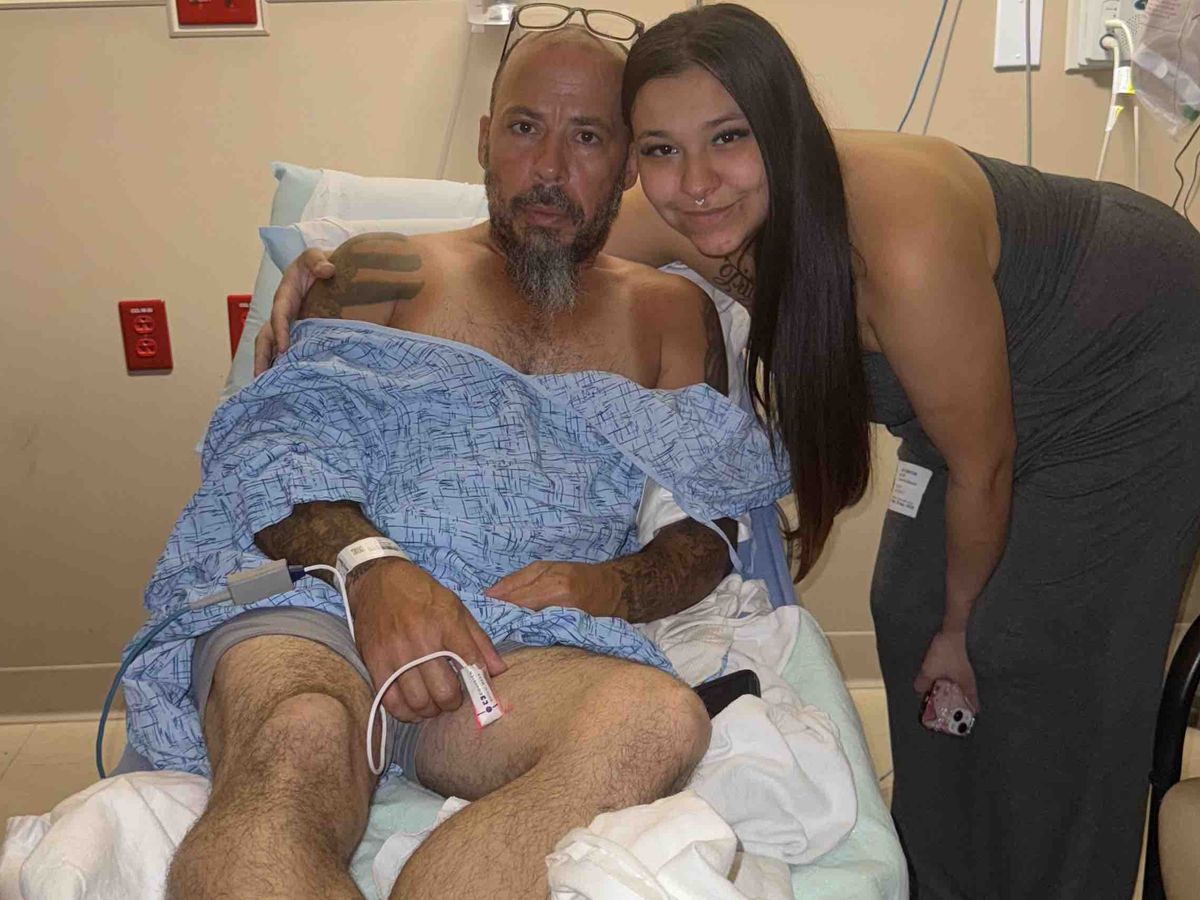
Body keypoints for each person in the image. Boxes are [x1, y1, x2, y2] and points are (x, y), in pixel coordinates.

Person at [263, 4, 1200, 897]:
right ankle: (944, 875)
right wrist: (337, 262)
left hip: (1126, 366)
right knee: (907, 608)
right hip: (977, 394)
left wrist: (961, 631)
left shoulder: (897, 241)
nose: (697, 181)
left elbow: (982, 464)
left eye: (729, 137)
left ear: (782, 131)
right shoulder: (688, 213)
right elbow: (517, 232)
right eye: (660, 149)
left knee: (1020, 647)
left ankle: (1050, 883)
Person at [122, 23, 791, 900]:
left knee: (656, 721)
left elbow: (704, 526)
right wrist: (374, 568)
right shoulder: (382, 269)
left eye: (588, 136)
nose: (549, 167)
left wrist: (610, 586)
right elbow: (277, 450)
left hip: (513, 644)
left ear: (628, 164)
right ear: (483, 138)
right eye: (524, 128)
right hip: (323, 600)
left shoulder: (670, 315)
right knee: (298, 736)